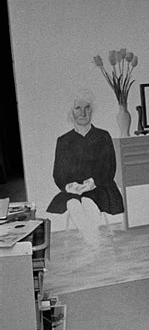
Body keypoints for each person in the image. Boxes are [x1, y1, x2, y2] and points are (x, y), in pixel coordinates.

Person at [47, 90, 124, 245]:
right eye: (78, 108)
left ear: (91, 110)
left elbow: (110, 168)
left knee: (88, 202)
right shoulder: (64, 141)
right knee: (73, 204)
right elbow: (58, 174)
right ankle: (93, 240)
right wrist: (69, 186)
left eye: (87, 108)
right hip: (74, 191)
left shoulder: (102, 136)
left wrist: (93, 182)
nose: (83, 113)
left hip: (101, 187)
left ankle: (91, 241)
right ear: (71, 112)